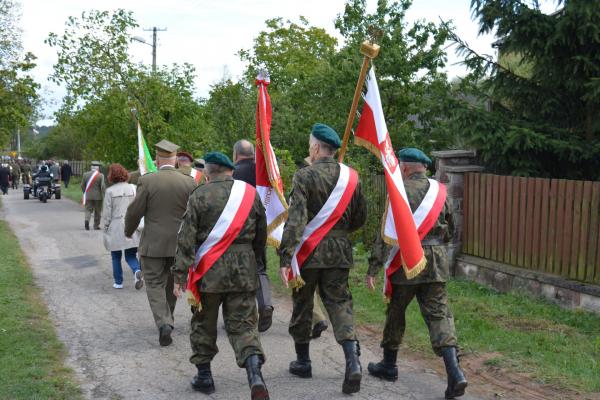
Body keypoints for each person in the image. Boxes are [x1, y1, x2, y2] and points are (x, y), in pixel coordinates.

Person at [366, 148, 467, 400]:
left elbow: (385, 235)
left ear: (406, 167)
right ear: (423, 168)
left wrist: (374, 266)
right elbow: (451, 229)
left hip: (408, 260)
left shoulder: (399, 192)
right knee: (439, 314)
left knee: (396, 311)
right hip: (435, 261)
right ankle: (455, 373)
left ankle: (389, 365)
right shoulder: (440, 192)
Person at [278, 123, 367, 394]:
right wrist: (339, 235)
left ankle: (303, 362)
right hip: (340, 251)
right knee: (340, 304)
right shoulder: (352, 177)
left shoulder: (304, 176)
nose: (309, 149)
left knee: (303, 304)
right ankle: (353, 362)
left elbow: (296, 219)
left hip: (309, 252)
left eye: (309, 145)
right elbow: (360, 217)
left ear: (316, 147)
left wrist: (286, 255)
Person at [173, 152, 269, 399]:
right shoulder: (250, 194)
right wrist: (256, 263)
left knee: (204, 324)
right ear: (230, 171)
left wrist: (180, 275)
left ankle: (204, 377)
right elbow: (261, 234)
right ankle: (254, 375)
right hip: (243, 270)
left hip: (209, 273)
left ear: (208, 172)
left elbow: (186, 239)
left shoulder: (199, 195)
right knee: (244, 325)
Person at [124, 139, 196, 347]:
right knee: (171, 285)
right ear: (175, 160)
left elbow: (134, 211)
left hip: (153, 243)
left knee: (154, 283)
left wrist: (129, 231)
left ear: (156, 159)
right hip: (179, 244)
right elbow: (194, 215)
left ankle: (164, 322)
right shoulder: (189, 182)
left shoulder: (147, 181)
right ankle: (168, 319)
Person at [232, 139, 274, 332]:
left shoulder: (231, 173)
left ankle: (242, 316)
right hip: (260, 225)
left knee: (236, 271)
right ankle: (265, 304)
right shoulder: (265, 172)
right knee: (260, 268)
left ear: (235, 154)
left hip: (237, 227)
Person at [101, 163, 144, 290]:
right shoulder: (133, 188)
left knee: (115, 255)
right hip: (132, 224)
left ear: (111, 176)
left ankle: (118, 282)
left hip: (116, 225)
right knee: (131, 254)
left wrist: (106, 227)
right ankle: (136, 270)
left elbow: (107, 213)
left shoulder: (109, 191)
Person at [81, 162, 105, 230]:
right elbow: (102, 186)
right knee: (98, 211)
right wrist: (104, 193)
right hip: (98, 197)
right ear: (98, 168)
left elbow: (82, 185)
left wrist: (85, 192)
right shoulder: (100, 175)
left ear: (91, 167)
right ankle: (96, 225)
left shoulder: (85, 174)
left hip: (88, 196)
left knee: (88, 209)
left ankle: (87, 221)